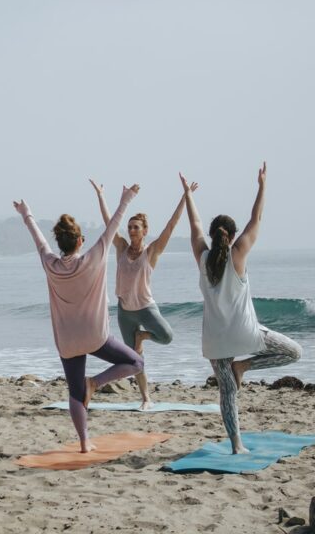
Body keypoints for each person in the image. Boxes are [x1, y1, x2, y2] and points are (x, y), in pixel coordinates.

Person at [180, 163, 301, 453]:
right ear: (232, 236)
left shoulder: (202, 257)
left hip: (215, 340)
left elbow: (194, 227)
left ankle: (237, 445)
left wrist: (188, 195)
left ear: (212, 236)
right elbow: (256, 217)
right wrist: (262, 186)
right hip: (246, 334)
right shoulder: (239, 254)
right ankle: (244, 365)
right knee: (294, 352)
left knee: (227, 392)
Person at [13, 184, 144, 453]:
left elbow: (39, 240)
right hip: (95, 336)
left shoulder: (50, 264)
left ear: (60, 243)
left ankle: (84, 443)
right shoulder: (92, 259)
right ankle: (94, 383)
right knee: (136, 362)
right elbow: (113, 228)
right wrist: (126, 199)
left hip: (68, 341)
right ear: (80, 240)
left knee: (74, 393)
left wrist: (27, 214)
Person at [89, 179, 196, 409]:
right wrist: (100, 195)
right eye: (129, 227)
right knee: (136, 361)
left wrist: (185, 197)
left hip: (147, 309)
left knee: (167, 336)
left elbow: (171, 225)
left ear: (145, 230)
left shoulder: (152, 251)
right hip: (125, 312)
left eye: (136, 227)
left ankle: (143, 336)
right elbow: (110, 223)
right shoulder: (120, 247)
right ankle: (146, 398)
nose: (131, 230)